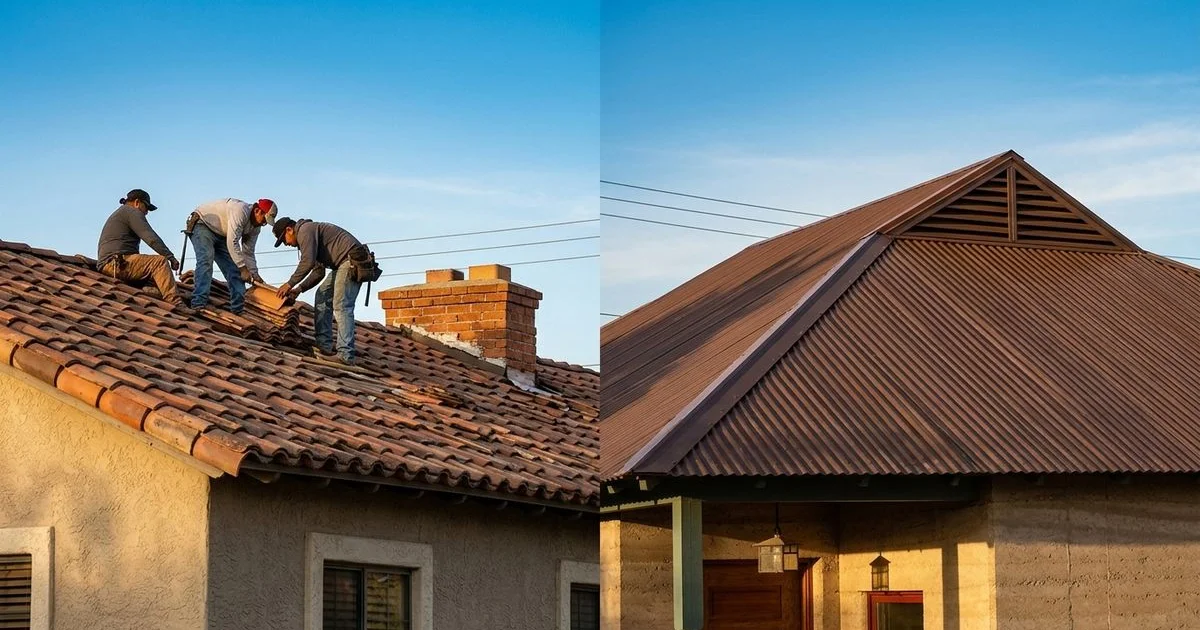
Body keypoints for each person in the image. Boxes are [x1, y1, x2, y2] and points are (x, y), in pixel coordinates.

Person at [272, 217, 367, 365]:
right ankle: (324, 346)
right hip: (342, 264)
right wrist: (299, 289)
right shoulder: (310, 236)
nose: (287, 244)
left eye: (284, 240)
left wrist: (289, 284)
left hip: (351, 261)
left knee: (341, 305)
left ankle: (345, 355)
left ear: (289, 230)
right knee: (322, 296)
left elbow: (307, 262)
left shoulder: (305, 231)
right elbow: (318, 272)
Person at [187, 198, 277, 314]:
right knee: (206, 260)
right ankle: (198, 303)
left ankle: (238, 310)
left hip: (222, 235)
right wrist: (243, 268)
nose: (264, 224)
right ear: (257, 211)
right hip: (203, 224)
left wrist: (254, 273)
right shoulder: (240, 211)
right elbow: (232, 242)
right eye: (264, 220)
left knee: (234, 271)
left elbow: (248, 252)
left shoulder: (256, 228)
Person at [96, 189, 183, 307]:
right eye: (146, 207)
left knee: (157, 283)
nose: (147, 212)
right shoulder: (131, 212)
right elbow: (151, 238)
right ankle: (176, 303)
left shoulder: (122, 213)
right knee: (159, 262)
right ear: (137, 202)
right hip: (115, 264)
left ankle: (154, 292)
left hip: (112, 264)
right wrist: (170, 257)